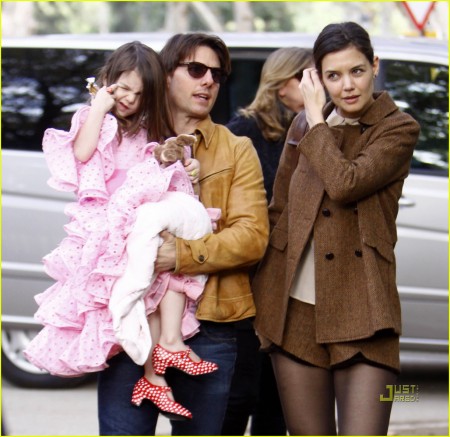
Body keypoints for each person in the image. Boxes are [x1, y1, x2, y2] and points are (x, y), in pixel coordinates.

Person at [23, 41, 219, 420]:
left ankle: (159, 367)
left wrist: (187, 167)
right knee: (136, 293)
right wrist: (99, 106)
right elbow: (81, 154)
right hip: (107, 225)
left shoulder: (151, 128)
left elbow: (166, 167)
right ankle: (154, 375)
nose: (129, 98)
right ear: (107, 80)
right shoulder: (95, 119)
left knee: (160, 285)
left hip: (141, 217)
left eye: (139, 93)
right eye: (122, 87)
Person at [252, 22, 420, 436]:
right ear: (318, 78)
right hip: (294, 312)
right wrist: (266, 288)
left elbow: (345, 184)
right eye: (333, 75)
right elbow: (280, 210)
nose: (347, 85)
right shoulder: (302, 128)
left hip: (365, 309)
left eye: (357, 71)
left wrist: (314, 117)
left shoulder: (397, 128)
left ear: (374, 66)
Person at [97, 33, 269, 436]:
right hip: (133, 320)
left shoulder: (235, 148)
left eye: (217, 74)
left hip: (209, 325)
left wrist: (181, 255)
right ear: (165, 73)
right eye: (196, 69)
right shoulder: (126, 138)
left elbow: (252, 236)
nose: (208, 80)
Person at [222, 46, 313, 436]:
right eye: (309, 77)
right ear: (281, 85)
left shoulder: (316, 128)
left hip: (291, 286)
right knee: (240, 395)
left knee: (279, 401)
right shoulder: (241, 132)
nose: (321, 85)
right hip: (247, 282)